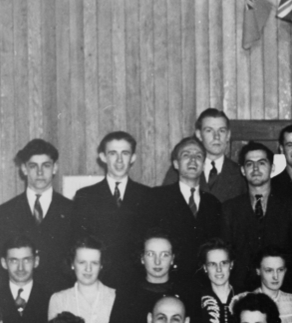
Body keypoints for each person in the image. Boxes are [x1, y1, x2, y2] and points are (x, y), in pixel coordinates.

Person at [70, 130, 153, 299]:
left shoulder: (147, 196)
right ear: (102, 157)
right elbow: (78, 242)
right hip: (98, 282)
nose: (120, 160)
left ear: (133, 158)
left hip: (137, 283)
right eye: (113, 153)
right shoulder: (85, 196)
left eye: (125, 153)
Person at [220, 141, 292, 294]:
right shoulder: (229, 209)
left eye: (262, 163)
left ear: (272, 168)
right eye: (250, 164)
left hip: (284, 290)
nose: (255, 169)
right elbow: (226, 254)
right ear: (243, 170)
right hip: (242, 292)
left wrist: (289, 285)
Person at [0, 138, 74, 298]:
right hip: (20, 301)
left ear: (55, 168)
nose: (40, 173)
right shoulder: (6, 212)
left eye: (46, 166)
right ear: (24, 169)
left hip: (61, 297)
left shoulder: (72, 210)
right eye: (33, 166)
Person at [114, 232, 203, 323]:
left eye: (164, 255)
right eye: (151, 254)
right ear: (142, 258)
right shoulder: (128, 293)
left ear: (172, 259)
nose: (157, 261)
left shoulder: (187, 293)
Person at [149, 136, 225, 274]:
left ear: (203, 165)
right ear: (176, 164)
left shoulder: (213, 203)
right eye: (186, 155)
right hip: (169, 278)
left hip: (204, 280)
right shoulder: (157, 198)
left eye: (198, 156)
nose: (193, 160)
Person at [161, 107, 246, 202]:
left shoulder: (240, 174)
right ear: (199, 135)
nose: (216, 136)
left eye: (221, 130)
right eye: (209, 130)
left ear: (228, 135)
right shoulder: (179, 169)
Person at [197, 240, 240, 323]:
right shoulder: (197, 302)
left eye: (224, 263)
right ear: (205, 268)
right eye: (212, 264)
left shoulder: (245, 298)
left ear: (231, 265)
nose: (219, 269)